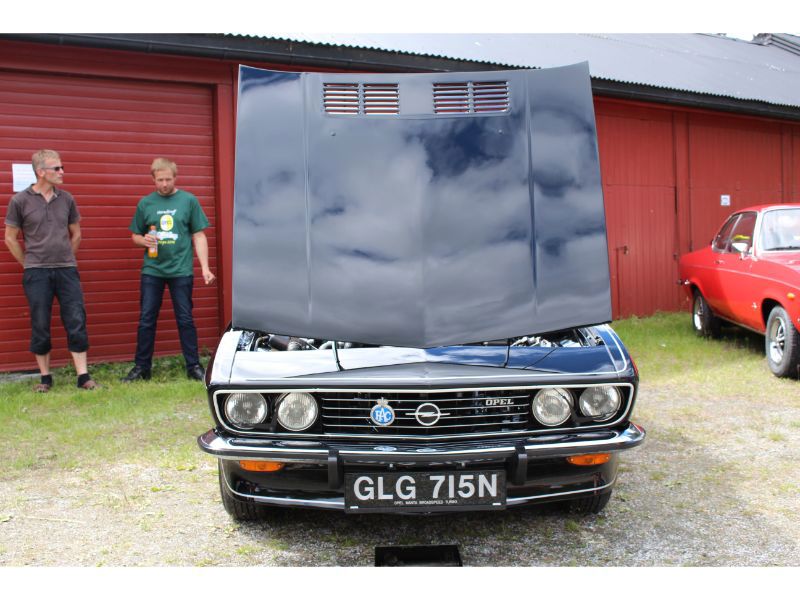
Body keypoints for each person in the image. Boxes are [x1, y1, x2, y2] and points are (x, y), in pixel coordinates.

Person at [3, 149, 98, 392]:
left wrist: (67, 257)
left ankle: (83, 376)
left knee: (76, 319)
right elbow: (10, 238)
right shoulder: (19, 201)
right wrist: (28, 264)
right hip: (37, 272)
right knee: (40, 322)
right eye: (57, 168)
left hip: (66, 270)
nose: (62, 172)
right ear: (41, 172)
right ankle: (45, 378)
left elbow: (76, 234)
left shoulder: (67, 199)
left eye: (61, 167)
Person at [122, 158, 215, 382]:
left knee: (185, 319)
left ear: (175, 177)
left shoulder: (188, 200)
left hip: (181, 270)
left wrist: (205, 267)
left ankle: (193, 366)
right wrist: (143, 240)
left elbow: (199, 235)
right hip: (152, 270)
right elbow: (135, 235)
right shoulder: (146, 203)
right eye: (160, 180)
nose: (164, 184)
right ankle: (142, 367)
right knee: (146, 319)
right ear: (153, 179)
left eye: (168, 179)